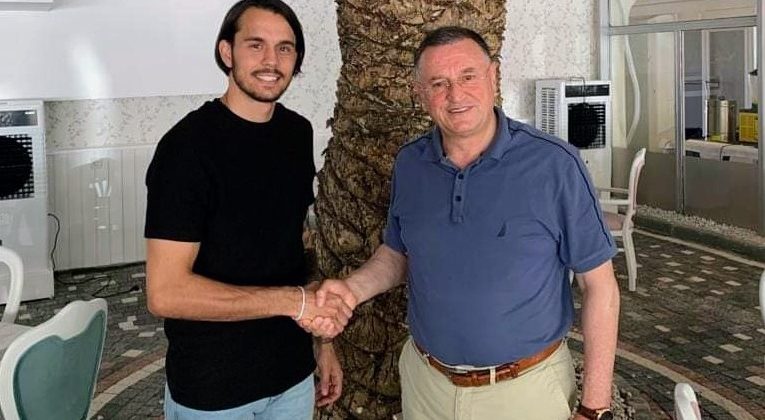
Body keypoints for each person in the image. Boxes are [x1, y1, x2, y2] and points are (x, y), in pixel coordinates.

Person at [306, 26, 621, 420]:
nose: (455, 95)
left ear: (493, 76)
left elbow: (600, 287)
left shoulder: (555, 165)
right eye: (438, 83)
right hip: (427, 386)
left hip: (525, 392)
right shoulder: (411, 163)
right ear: (420, 93)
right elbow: (399, 254)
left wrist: (594, 407)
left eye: (468, 76)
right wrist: (351, 291)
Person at [144, 1, 352, 418]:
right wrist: (292, 302)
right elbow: (165, 293)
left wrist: (323, 342)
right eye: (255, 45)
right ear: (227, 52)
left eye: (285, 48)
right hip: (213, 390)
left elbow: (299, 245)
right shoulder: (186, 149)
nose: (271, 61)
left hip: (291, 376)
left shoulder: (296, 133)